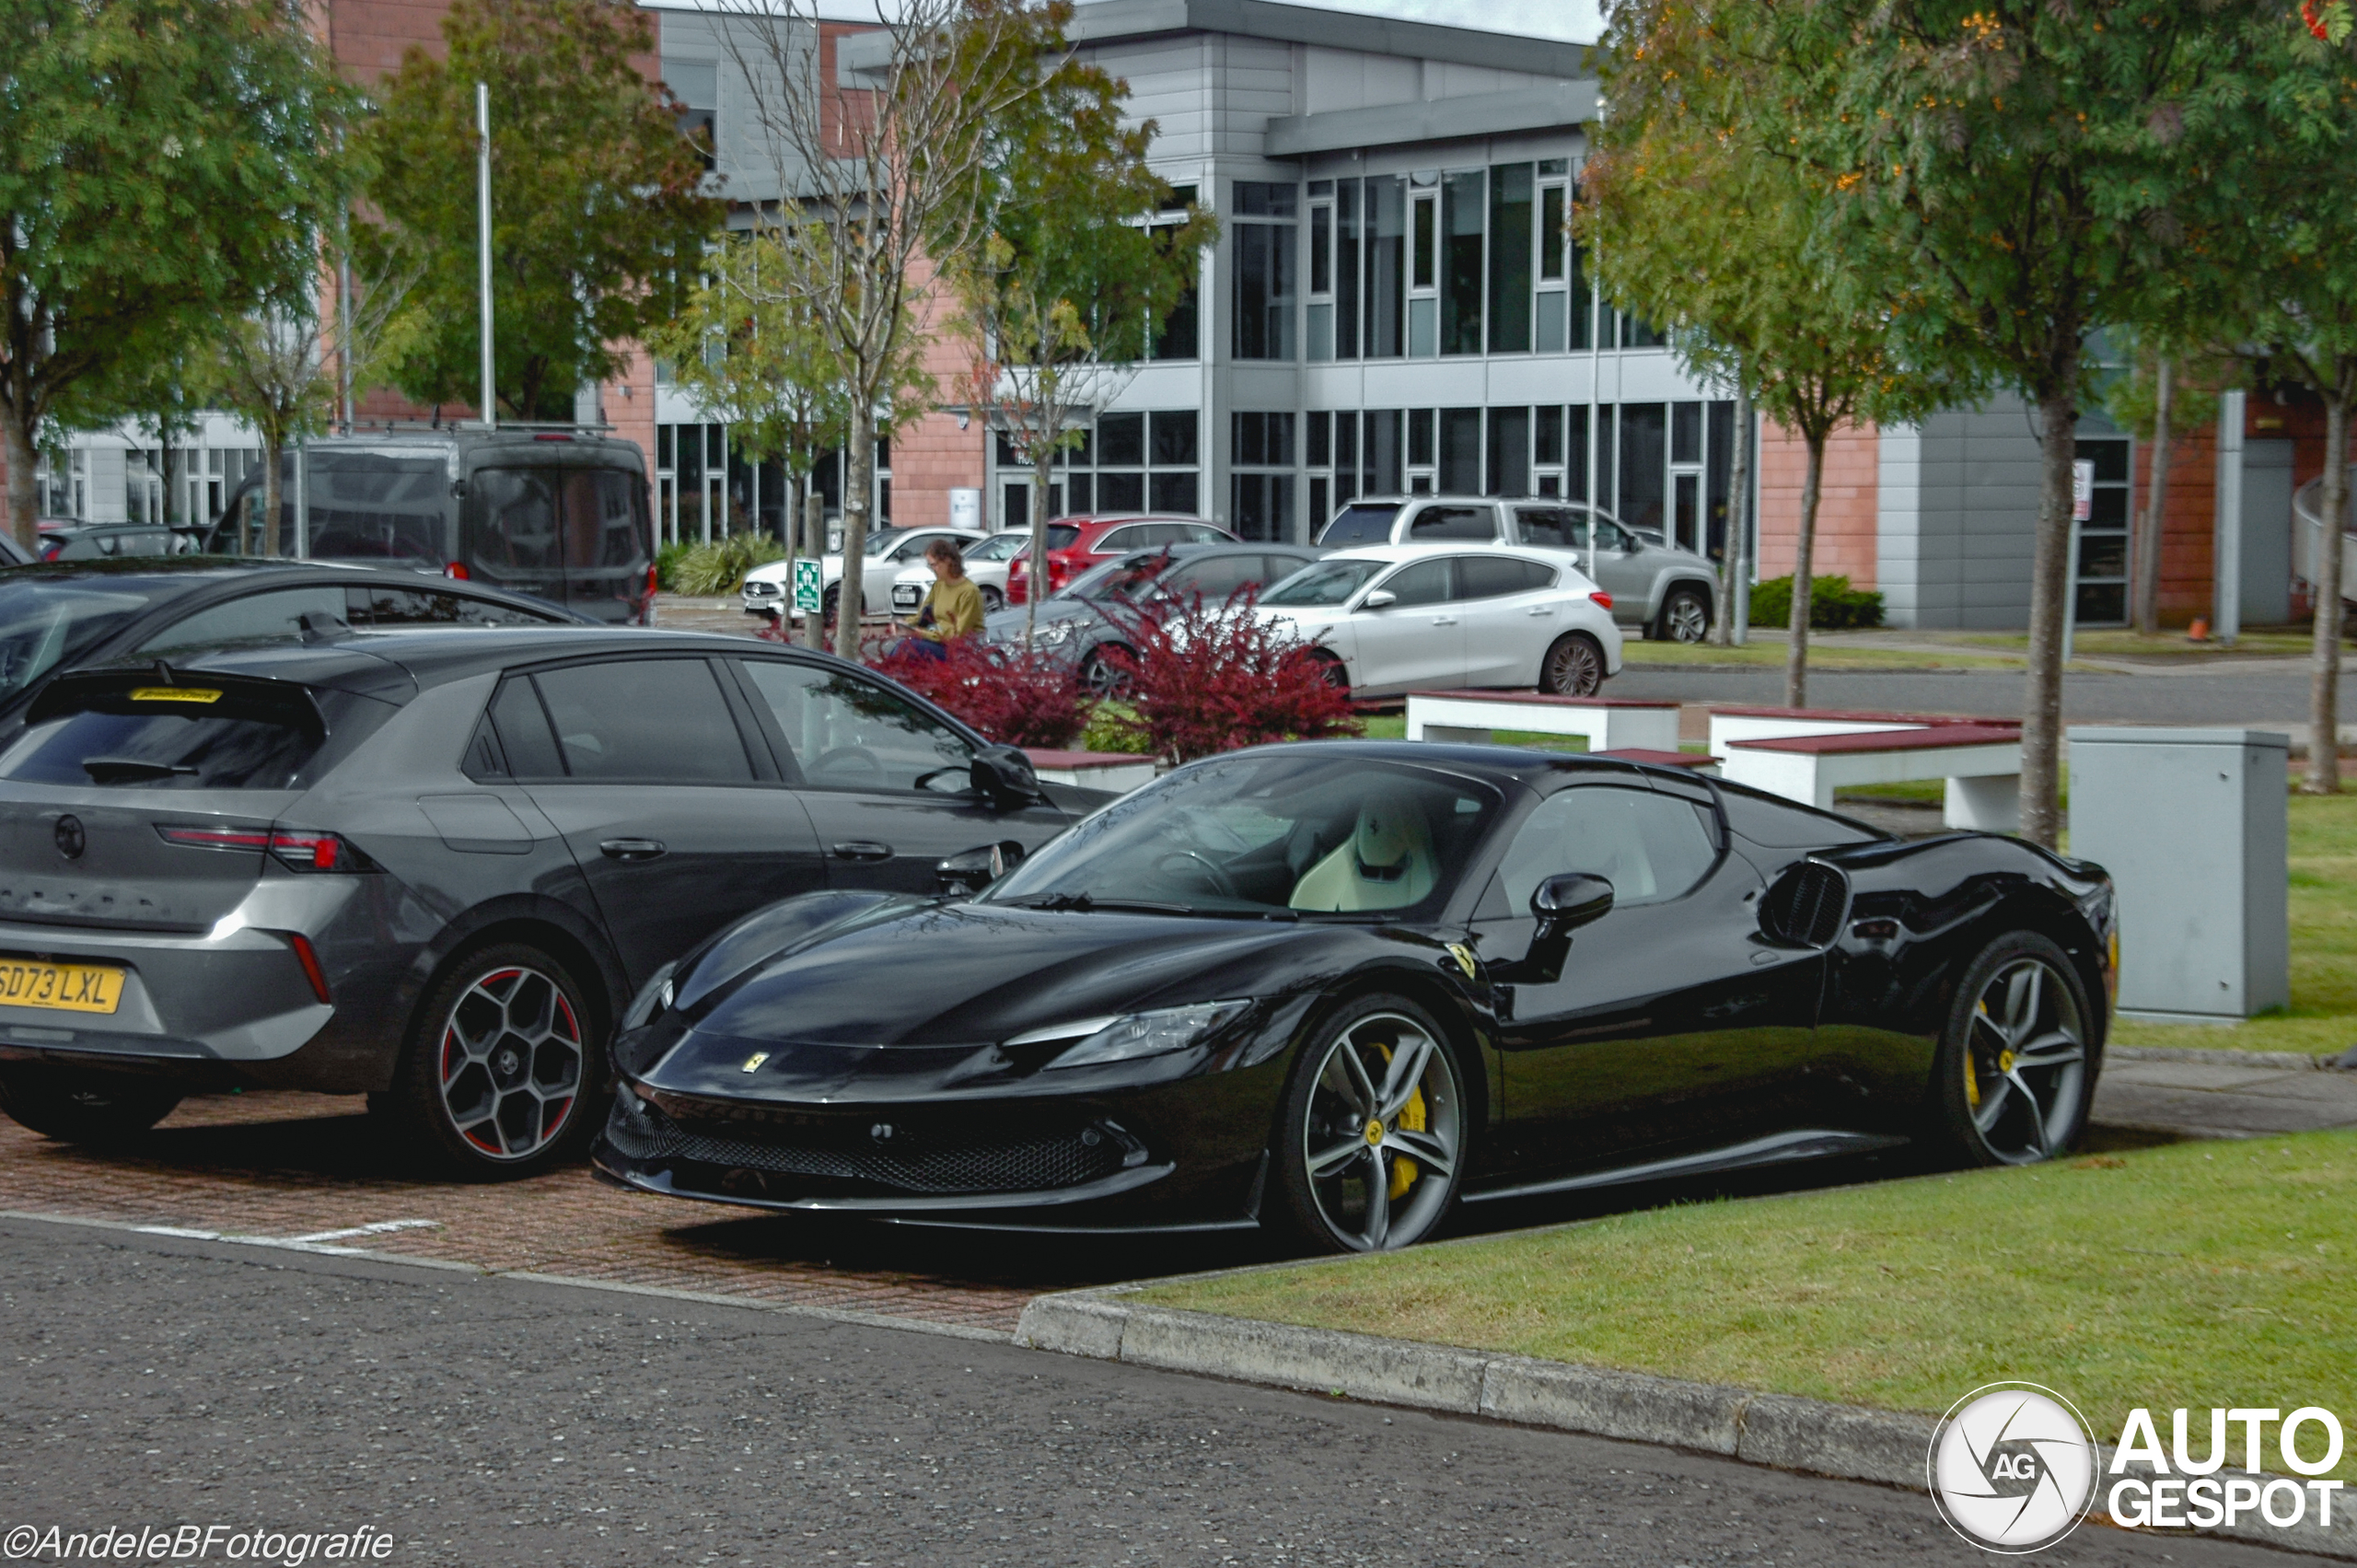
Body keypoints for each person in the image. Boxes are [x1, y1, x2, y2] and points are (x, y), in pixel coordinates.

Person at [888, 537, 983, 661]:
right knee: (899, 646)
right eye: (930, 565)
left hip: (958, 649)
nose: (932, 569)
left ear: (948, 561)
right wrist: (903, 624)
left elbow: (958, 635)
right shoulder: (939, 586)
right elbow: (919, 616)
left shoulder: (969, 592)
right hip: (939, 640)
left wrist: (919, 633)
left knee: (905, 648)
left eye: (934, 565)